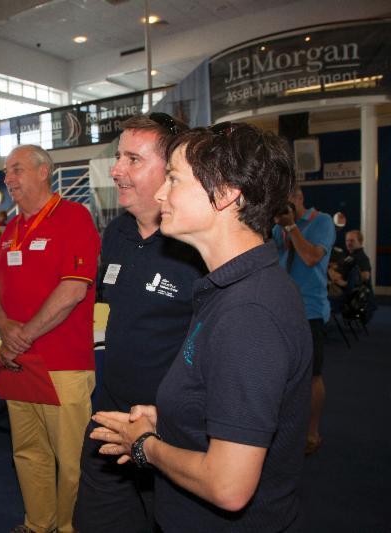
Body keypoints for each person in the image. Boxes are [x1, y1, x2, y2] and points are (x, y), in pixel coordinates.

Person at [91, 123, 311, 532]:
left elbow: (229, 486)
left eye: (173, 179)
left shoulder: (249, 313)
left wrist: (144, 446)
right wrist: (169, 419)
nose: (160, 194)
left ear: (226, 194)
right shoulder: (231, 289)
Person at [73, 114, 205, 533]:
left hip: (170, 435)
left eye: (133, 159)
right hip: (109, 419)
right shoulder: (116, 233)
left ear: (170, 171)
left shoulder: (196, 246)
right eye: (117, 157)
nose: (116, 170)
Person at [0, 144, 100, 533]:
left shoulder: (74, 217)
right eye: (5, 171)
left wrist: (22, 336)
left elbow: (73, 290)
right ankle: (39, 525)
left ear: (43, 172)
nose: (7, 178)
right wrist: (5, 327)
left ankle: (70, 527)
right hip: (20, 362)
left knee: (72, 461)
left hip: (63, 363)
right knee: (28, 453)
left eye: (16, 169)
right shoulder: (10, 229)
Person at [272, 183, 335, 455]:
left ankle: (312, 432)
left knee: (312, 376)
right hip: (281, 309)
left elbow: (309, 257)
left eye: (288, 203)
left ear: (300, 199)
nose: (286, 210)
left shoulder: (321, 222)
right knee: (280, 374)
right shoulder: (278, 227)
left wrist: (291, 227)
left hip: (310, 311)